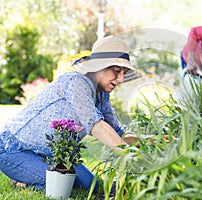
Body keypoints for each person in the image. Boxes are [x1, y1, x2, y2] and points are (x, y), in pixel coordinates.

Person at [0, 36, 142, 191]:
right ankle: (22, 180)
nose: (121, 79)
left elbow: (117, 133)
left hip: (55, 156)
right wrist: (130, 155)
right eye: (116, 71)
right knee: (59, 187)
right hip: (15, 150)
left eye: (124, 72)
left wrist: (151, 142)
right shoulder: (76, 83)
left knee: (90, 187)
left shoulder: (101, 94)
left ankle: (35, 173)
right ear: (100, 66)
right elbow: (97, 125)